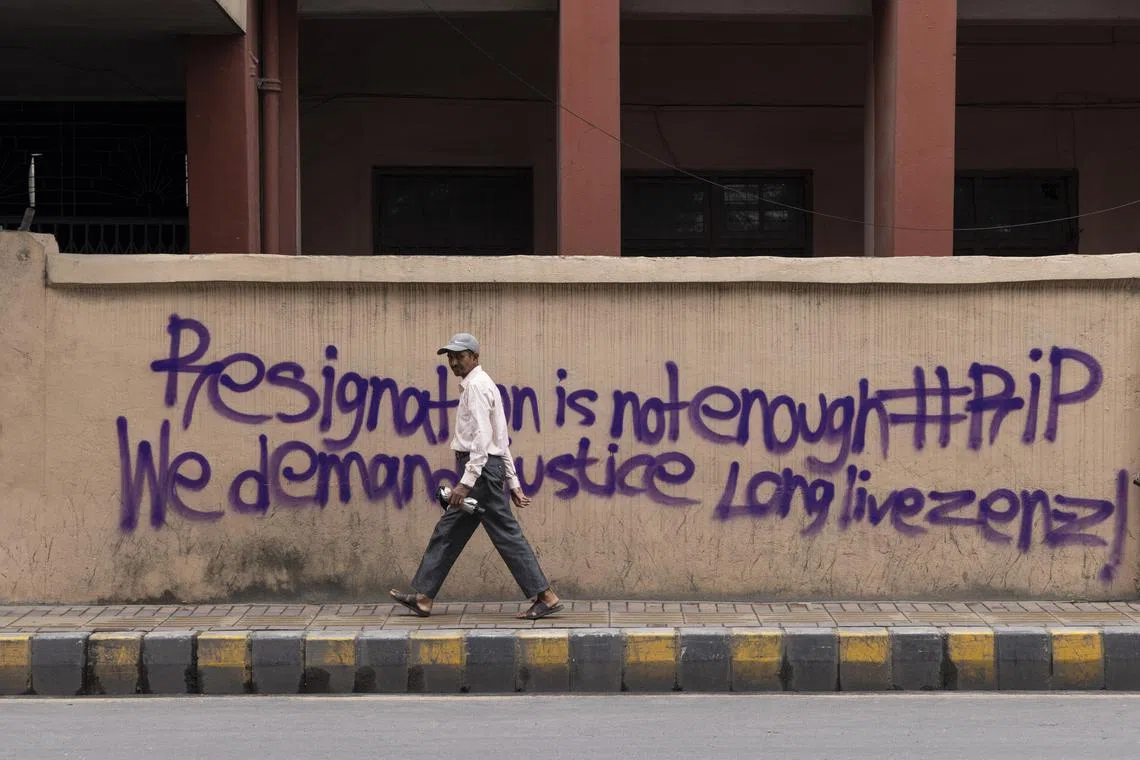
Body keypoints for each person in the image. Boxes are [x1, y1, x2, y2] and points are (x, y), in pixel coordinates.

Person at [389, 332, 563, 620]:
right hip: (485, 471)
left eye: (460, 356)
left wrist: (465, 482)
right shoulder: (481, 385)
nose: (454, 362)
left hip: (479, 474)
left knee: (505, 535)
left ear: (475, 357)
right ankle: (423, 598)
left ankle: (546, 596)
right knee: (449, 532)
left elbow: (484, 440)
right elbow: (501, 438)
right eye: (450, 357)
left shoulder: (477, 388)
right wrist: (513, 482)